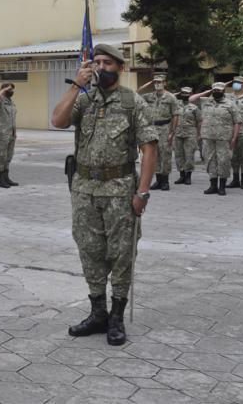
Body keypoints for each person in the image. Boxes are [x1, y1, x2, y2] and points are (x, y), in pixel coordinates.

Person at [51, 43, 157, 346]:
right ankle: (98, 312)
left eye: (107, 63)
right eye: (96, 62)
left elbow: (149, 149)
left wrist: (143, 192)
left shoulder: (132, 103)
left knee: (122, 253)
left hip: (120, 190)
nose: (101, 68)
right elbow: (57, 121)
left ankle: (116, 317)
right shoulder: (84, 101)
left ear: (120, 68)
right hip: (84, 189)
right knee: (90, 250)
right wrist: (76, 85)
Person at [189, 83, 239, 196]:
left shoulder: (230, 104)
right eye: (215, 90)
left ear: (224, 91)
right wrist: (208, 92)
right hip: (208, 137)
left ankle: (222, 186)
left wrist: (235, 138)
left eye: (219, 90)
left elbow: (237, 122)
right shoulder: (205, 101)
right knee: (210, 160)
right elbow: (191, 99)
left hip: (224, 138)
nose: (217, 92)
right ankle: (213, 185)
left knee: (223, 161)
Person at [138, 74, 178, 191]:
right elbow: (136, 94)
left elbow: (175, 115)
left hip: (165, 127)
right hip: (152, 128)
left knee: (165, 155)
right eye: (155, 82)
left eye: (159, 82)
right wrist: (148, 84)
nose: (157, 84)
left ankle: (165, 181)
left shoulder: (171, 97)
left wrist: (172, 132)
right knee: (155, 156)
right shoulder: (149, 96)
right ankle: (158, 180)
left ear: (165, 83)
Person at [172, 87, 200, 185]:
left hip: (190, 133)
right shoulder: (176, 104)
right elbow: (170, 96)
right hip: (177, 133)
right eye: (183, 93)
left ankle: (188, 176)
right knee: (179, 155)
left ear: (190, 94)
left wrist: (199, 134)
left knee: (189, 155)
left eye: (187, 93)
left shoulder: (194, 107)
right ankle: (181, 175)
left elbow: (199, 121)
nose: (185, 95)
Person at [0, 83, 19, 188]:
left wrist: (15, 133)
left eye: (12, 89)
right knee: (1, 156)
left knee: (8, 156)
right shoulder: (0, 101)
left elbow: (13, 120)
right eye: (10, 89)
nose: (12, 91)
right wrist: (4, 89)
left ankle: (6, 178)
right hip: (2, 133)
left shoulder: (11, 103)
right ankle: (1, 180)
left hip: (11, 133)